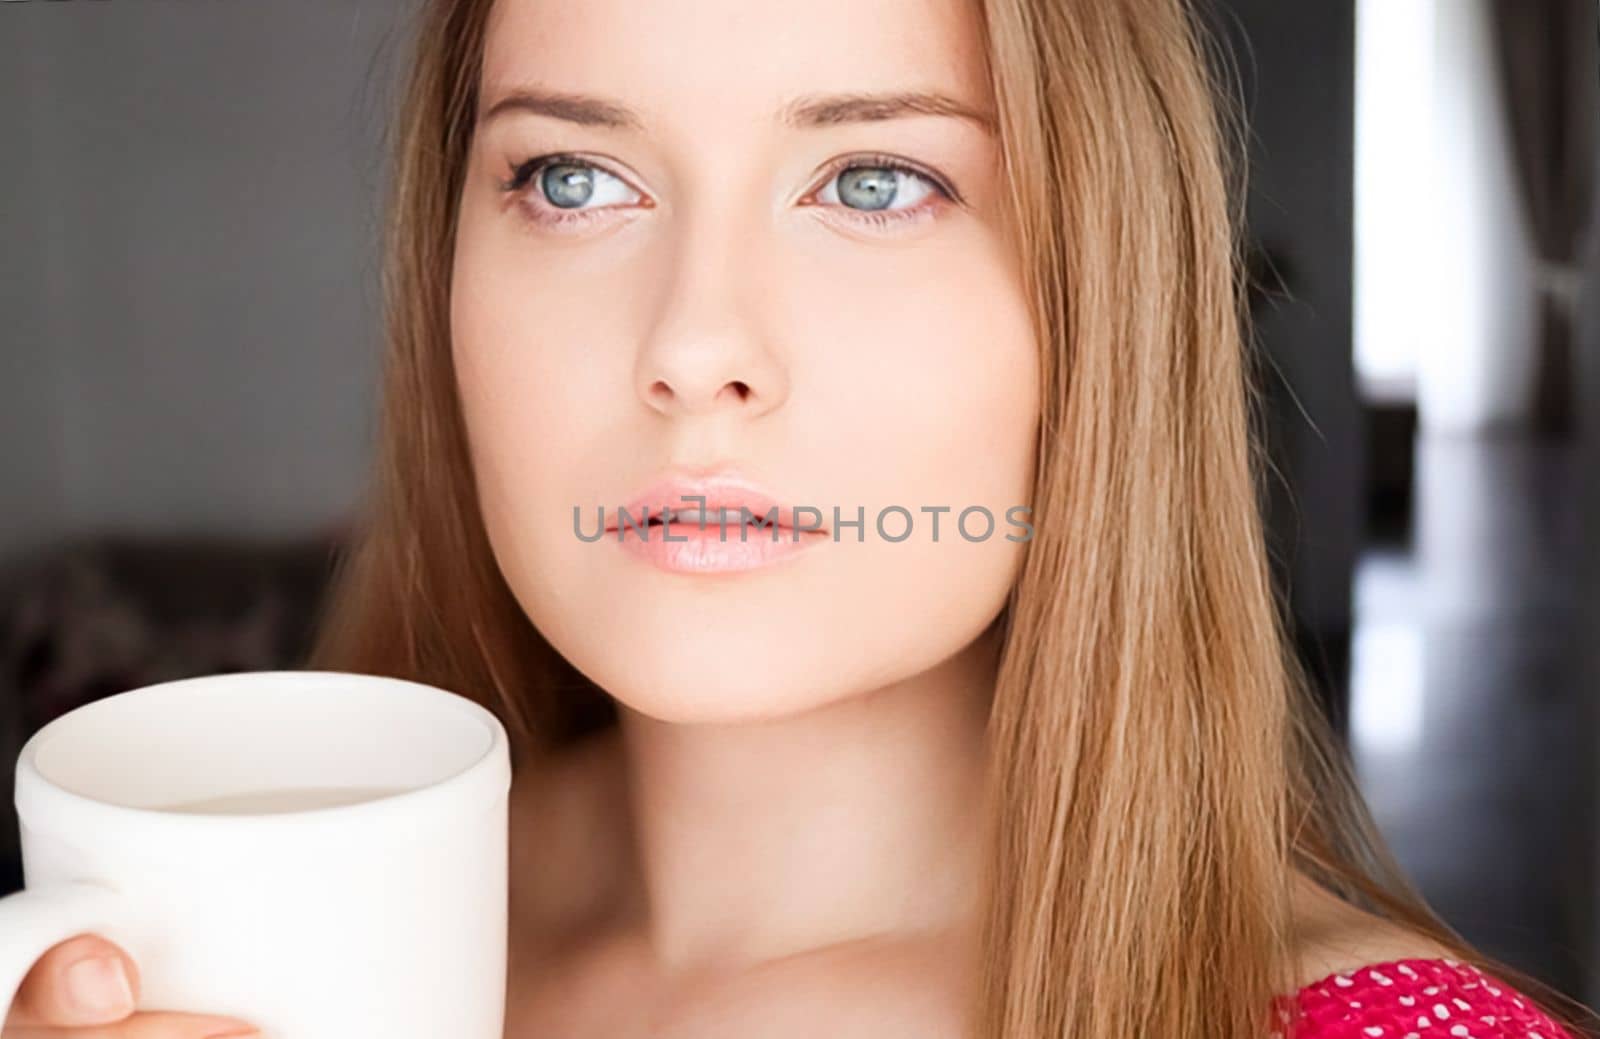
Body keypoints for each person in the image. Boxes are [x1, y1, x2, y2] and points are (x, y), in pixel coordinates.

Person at [6, 0, 1598, 1036]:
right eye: (569, 179)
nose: (695, 346)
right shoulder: (209, 964)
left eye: (874, 182)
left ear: (1099, 307)